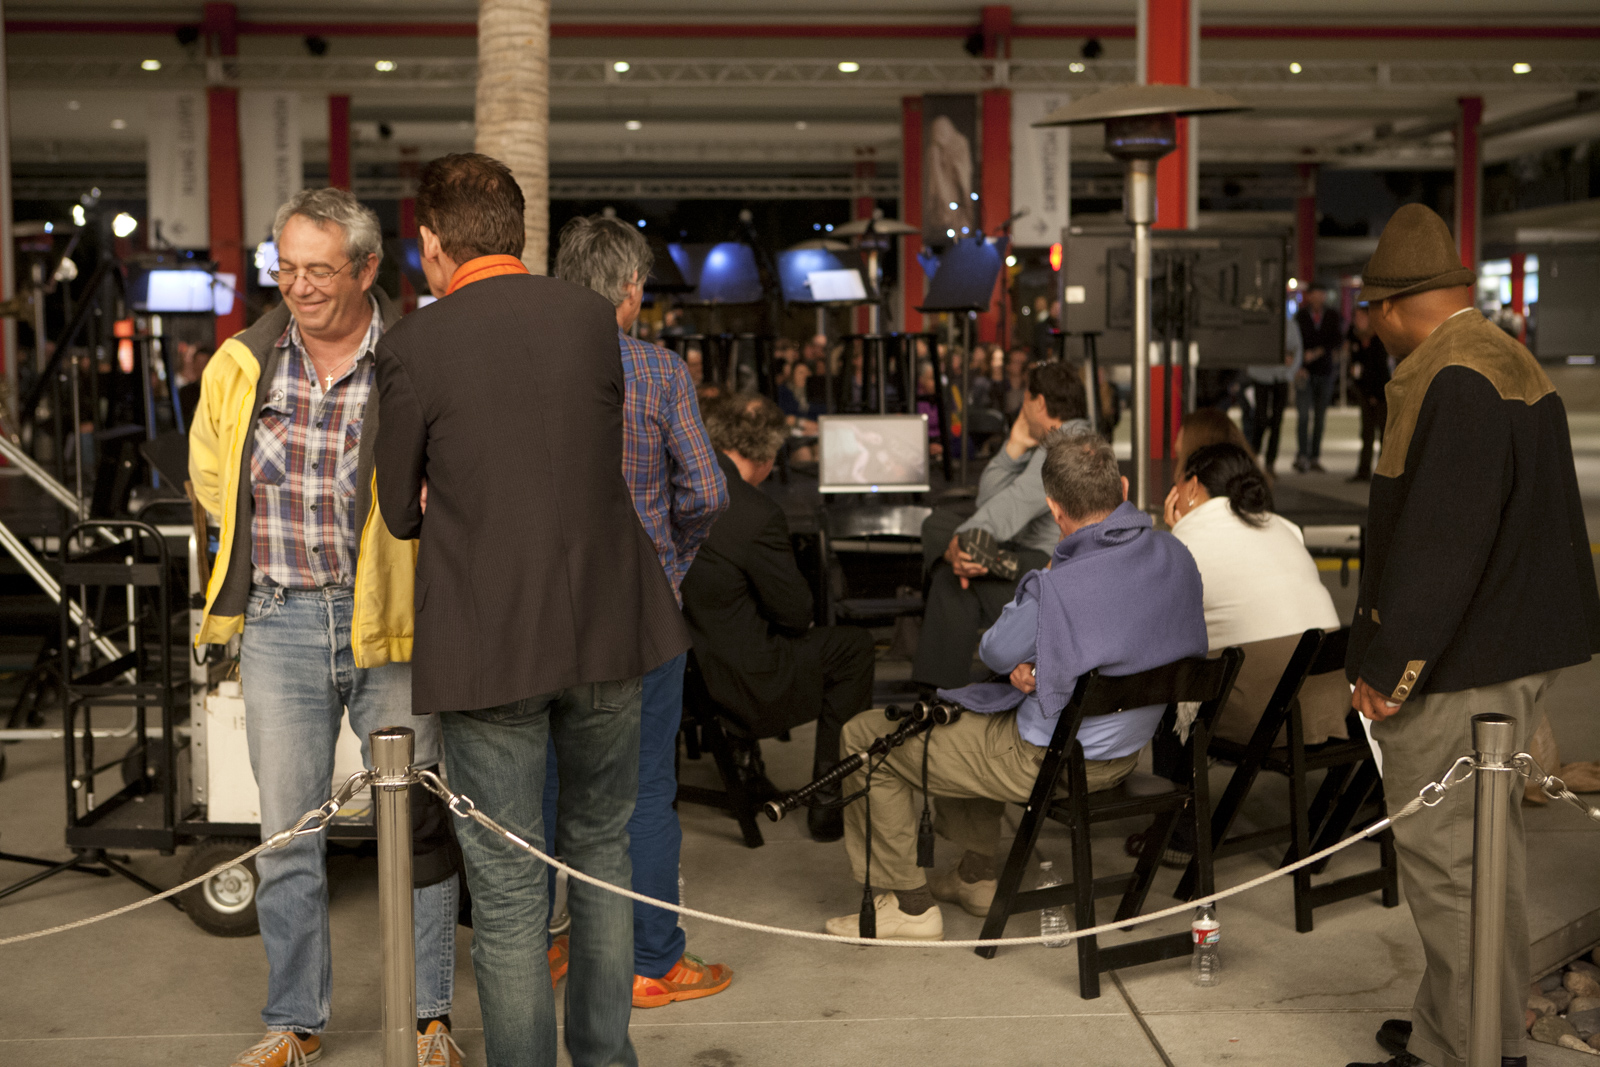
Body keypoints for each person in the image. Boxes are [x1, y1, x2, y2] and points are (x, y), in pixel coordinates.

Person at [375, 153, 688, 1067]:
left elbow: (398, 508)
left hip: (489, 641)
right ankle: (605, 1058)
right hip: (607, 622)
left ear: (434, 246)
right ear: (518, 233)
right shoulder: (590, 321)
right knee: (601, 855)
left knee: (511, 890)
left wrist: (446, 489)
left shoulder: (415, 345)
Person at [189, 187, 464, 1067]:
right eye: (286, 268)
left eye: (318, 269)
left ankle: (428, 1018)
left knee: (416, 827)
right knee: (286, 835)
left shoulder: (417, 355)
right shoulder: (242, 362)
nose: (299, 287)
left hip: (391, 623)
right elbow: (206, 473)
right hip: (278, 617)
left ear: (368, 268)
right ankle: (295, 1023)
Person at [1343, 204, 1600, 1067]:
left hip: (1460, 664)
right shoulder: (1506, 356)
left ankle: (1471, 1052)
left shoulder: (1448, 374)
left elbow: (1440, 546)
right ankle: (1456, 1025)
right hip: (1513, 650)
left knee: (1451, 865)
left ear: (1391, 305)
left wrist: (1389, 668)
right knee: (1487, 861)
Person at [825, 432, 1207, 937]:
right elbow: (1128, 636)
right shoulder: (1175, 555)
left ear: (1053, 507)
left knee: (865, 736)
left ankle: (908, 906)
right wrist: (1053, 663)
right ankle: (977, 877)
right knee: (975, 709)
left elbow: (996, 650)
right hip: (1124, 752)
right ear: (1124, 485)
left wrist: (1049, 575)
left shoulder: (1061, 584)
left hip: (1054, 762)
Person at [544, 213, 731, 1012]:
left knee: (556, 781)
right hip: (641, 613)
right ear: (628, 290)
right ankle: (651, 960)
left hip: (549, 612)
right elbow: (710, 491)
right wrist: (671, 561)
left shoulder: (531, 366)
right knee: (645, 789)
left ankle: (567, 942)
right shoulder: (658, 372)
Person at [681, 394, 876, 843]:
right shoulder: (754, 513)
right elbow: (795, 614)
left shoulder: (679, 489)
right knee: (854, 648)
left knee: (740, 617)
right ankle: (829, 802)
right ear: (768, 455)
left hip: (688, 669)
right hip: (740, 686)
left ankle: (748, 769)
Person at [911, 362, 1091, 694]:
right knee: (939, 526)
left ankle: (937, 694)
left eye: (1024, 402)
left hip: (1044, 566)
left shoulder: (1066, 448)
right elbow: (990, 499)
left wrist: (962, 544)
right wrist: (1012, 446)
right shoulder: (1061, 439)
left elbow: (1012, 507)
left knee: (952, 578)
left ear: (1037, 403)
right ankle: (940, 693)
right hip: (1027, 555)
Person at [1164, 442, 1344, 748]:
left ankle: (1179, 792)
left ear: (1192, 487)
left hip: (1261, 716)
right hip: (1330, 704)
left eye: (1177, 483)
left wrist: (1177, 533)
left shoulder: (1184, 542)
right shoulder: (1286, 527)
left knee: (1165, 679)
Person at [1292, 285, 1344, 473]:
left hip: (1324, 371)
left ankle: (1315, 456)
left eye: (1322, 294)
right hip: (1304, 371)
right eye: (1316, 294)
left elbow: (1337, 339)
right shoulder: (1301, 316)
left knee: (1320, 417)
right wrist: (1300, 363)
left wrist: (1318, 352)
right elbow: (1295, 342)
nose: (1319, 297)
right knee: (1304, 415)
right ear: (1310, 296)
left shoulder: (1332, 315)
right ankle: (1302, 455)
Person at [1243, 315, 1301, 472]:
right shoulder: (1260, 323)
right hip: (1261, 376)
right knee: (1259, 419)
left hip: (1280, 377)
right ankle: (1254, 456)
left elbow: (1297, 351)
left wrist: (1289, 373)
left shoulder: (1290, 325)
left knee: (1277, 421)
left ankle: (1270, 463)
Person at [1347, 305, 1391, 482]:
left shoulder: (1378, 338)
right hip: (1364, 392)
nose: (1358, 321)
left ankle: (1383, 473)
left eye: (1361, 317)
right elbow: (1355, 367)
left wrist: (1376, 393)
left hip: (1380, 393)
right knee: (1366, 433)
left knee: (1383, 434)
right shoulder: (1355, 339)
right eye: (1356, 317)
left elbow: (1381, 369)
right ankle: (1363, 470)